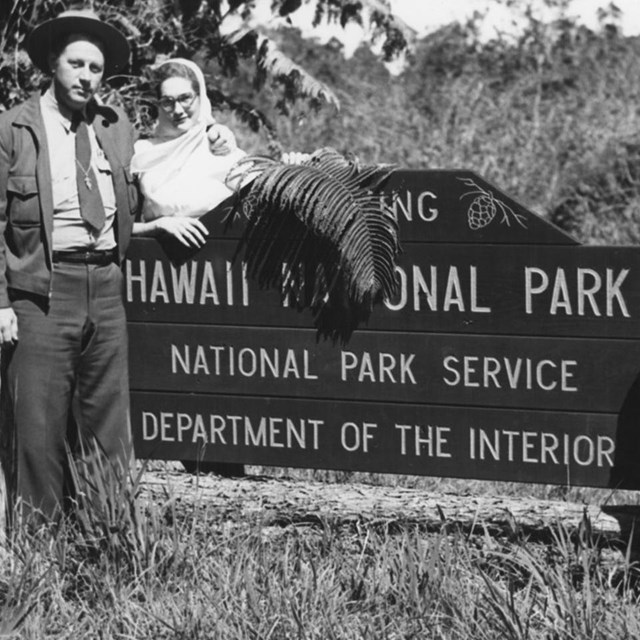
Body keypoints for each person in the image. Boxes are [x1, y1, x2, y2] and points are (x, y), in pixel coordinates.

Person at [0, 9, 139, 522]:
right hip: (40, 292)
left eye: (96, 68)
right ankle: (41, 558)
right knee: (37, 429)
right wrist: (0, 303)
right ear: (52, 65)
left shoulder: (114, 126)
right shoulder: (13, 128)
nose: (86, 77)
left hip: (104, 285)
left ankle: (109, 545)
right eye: (76, 64)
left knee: (108, 428)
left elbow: (153, 186)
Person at [131, 58, 246, 250]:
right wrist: (157, 225)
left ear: (200, 97)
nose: (177, 110)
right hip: (158, 265)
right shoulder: (142, 152)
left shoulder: (223, 148)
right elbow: (117, 228)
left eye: (185, 98)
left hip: (219, 266)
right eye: (167, 102)